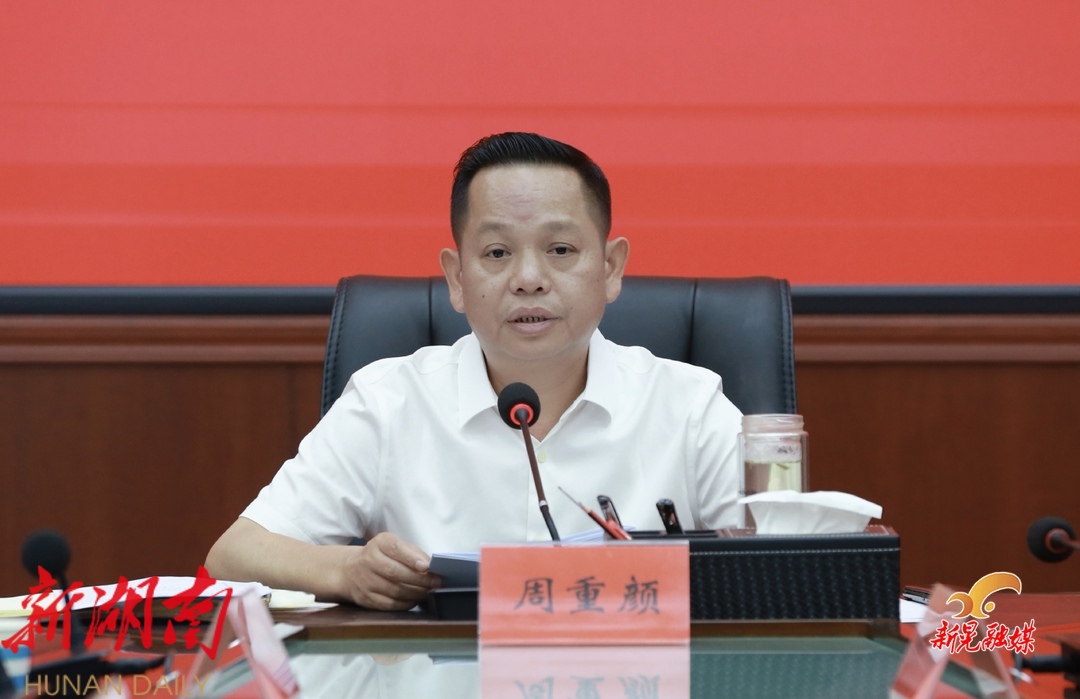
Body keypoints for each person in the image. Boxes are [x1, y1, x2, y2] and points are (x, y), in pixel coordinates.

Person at [205, 132, 742, 611]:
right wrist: (347, 570)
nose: (528, 278)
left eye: (560, 249)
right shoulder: (389, 402)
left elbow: (774, 562)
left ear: (610, 268)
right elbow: (234, 554)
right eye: (497, 252)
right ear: (457, 279)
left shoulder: (690, 408)